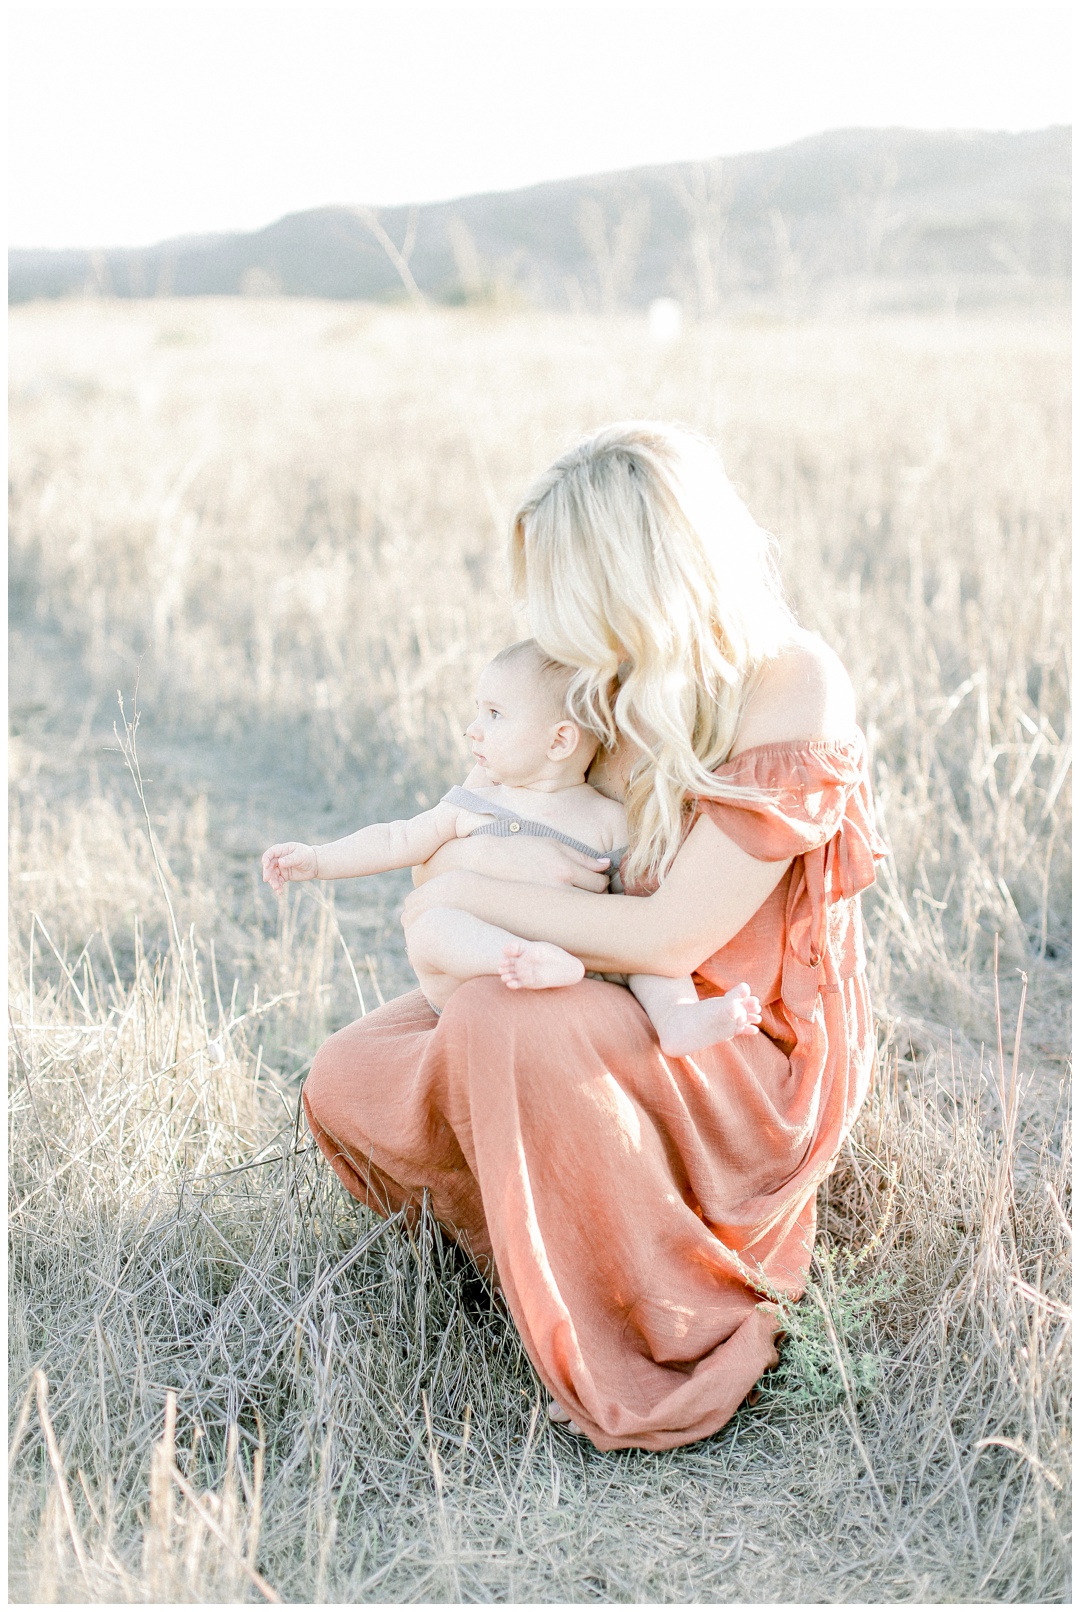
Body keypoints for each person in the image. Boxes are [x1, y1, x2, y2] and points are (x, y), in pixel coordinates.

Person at [302, 421, 887, 1451]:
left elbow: (670, 935)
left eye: (570, 594)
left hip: (727, 1040)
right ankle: (535, 1246)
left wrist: (463, 885)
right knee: (347, 1072)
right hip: (603, 981)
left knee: (496, 1015)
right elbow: (502, 826)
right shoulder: (602, 681)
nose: (551, 625)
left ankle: (635, 1311)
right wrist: (458, 877)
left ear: (640, 577)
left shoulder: (793, 681)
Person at [262, 638, 763, 1056]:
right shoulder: (475, 801)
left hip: (589, 951)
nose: (472, 729)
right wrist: (317, 859)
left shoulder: (607, 817)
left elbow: (642, 901)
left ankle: (678, 1022)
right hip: (494, 963)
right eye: (478, 711)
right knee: (431, 928)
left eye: (495, 714)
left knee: (649, 959)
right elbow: (396, 838)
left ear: (559, 741)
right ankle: (524, 956)